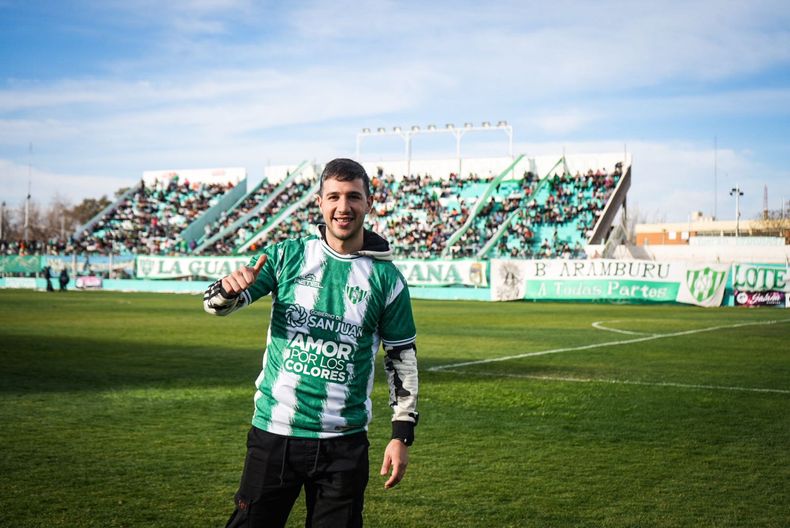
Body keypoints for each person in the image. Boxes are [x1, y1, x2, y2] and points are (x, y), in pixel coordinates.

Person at [204, 158, 419, 528]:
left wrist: (401, 434)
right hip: (275, 434)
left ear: (369, 202)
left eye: (353, 196)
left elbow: (402, 361)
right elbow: (214, 305)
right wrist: (226, 289)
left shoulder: (388, 280)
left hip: (344, 444)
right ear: (319, 202)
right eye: (333, 196)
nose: (343, 207)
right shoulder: (286, 256)